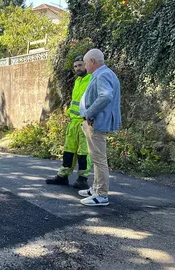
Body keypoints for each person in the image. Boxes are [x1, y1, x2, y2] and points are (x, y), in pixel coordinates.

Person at [78, 49, 121, 206]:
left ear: (92, 62)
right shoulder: (103, 74)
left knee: (99, 158)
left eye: (85, 63)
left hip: (96, 122)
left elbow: (105, 96)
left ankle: (101, 195)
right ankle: (96, 189)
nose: (84, 67)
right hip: (95, 122)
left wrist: (89, 113)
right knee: (96, 157)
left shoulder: (102, 75)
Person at [46, 56, 92, 189]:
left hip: (84, 122)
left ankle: (83, 178)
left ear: (86, 65)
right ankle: (63, 176)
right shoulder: (78, 81)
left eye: (80, 65)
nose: (78, 68)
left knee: (84, 152)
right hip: (73, 122)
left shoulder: (92, 80)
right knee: (69, 151)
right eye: (76, 66)